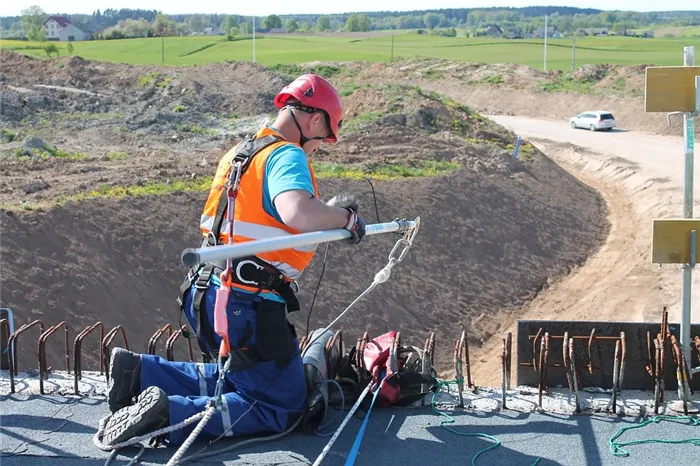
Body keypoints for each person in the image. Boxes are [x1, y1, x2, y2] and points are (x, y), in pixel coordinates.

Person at [101, 74, 367, 447]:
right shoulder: (286, 153)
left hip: (207, 290)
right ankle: (168, 413)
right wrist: (347, 219)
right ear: (313, 120)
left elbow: (258, 216)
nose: (319, 146)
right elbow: (297, 213)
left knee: (245, 378)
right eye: (324, 137)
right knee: (281, 404)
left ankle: (140, 374)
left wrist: (328, 213)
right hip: (247, 302)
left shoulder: (243, 151)